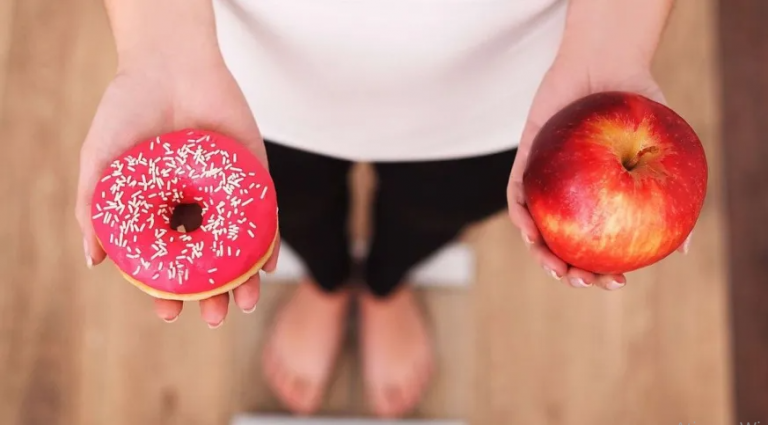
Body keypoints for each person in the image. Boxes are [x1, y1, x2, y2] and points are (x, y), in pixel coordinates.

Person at [75, 0, 692, 418]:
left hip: (514, 79)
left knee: (435, 209)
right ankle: (326, 282)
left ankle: (385, 284)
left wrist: (612, 42)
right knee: (290, 205)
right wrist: (159, 46)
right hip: (235, 69)